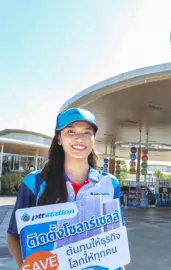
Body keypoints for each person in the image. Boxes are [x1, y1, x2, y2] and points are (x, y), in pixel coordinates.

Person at [6, 108, 123, 269]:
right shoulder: (34, 182)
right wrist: (25, 267)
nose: (80, 139)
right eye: (71, 132)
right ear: (59, 139)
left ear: (94, 139)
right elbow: (13, 235)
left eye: (87, 133)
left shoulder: (110, 183)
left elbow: (114, 237)